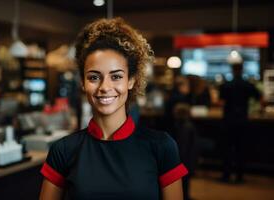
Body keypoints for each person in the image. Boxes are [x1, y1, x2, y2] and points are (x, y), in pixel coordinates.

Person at [40, 18, 188, 200]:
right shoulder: (63, 150)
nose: (104, 87)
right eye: (94, 77)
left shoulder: (162, 146)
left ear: (131, 81)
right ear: (83, 83)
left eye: (116, 76)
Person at [219, 63, 261, 183]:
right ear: (242, 70)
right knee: (241, 149)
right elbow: (259, 98)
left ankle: (226, 176)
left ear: (232, 70)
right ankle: (239, 177)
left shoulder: (226, 85)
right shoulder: (248, 85)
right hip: (242, 121)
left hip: (228, 121)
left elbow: (220, 102)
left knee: (227, 149)